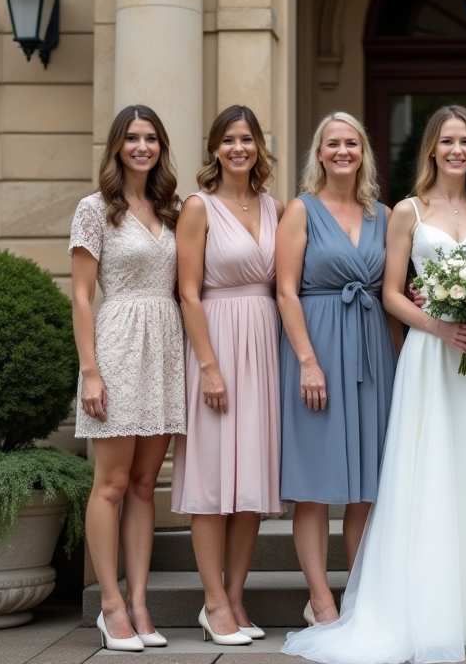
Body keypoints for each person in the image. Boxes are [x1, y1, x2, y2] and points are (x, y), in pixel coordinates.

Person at [282, 105, 466, 662]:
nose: (456, 150)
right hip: (430, 357)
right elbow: (391, 293)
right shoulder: (405, 212)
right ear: (431, 148)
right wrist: (439, 327)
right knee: (428, 472)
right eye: (447, 141)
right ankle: (423, 610)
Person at [69, 105, 185, 652]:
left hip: (164, 349)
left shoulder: (172, 210)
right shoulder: (94, 209)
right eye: (133, 138)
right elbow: (80, 296)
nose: (143, 146)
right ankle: (110, 605)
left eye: (151, 138)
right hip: (116, 348)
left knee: (144, 485)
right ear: (117, 145)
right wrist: (90, 372)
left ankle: (140, 603)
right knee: (111, 484)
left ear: (161, 147)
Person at [276, 111, 399, 629]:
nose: (343, 151)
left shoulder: (384, 215)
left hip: (373, 353)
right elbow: (285, 291)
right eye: (333, 143)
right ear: (319, 154)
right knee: (315, 483)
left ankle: (362, 593)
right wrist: (308, 362)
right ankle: (321, 599)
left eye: (352, 143)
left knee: (366, 486)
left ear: (363, 152)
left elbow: (393, 295)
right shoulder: (300, 210)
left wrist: (401, 366)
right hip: (318, 349)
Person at [172, 105, 284, 646]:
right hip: (216, 342)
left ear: (258, 146)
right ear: (215, 149)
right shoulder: (198, 207)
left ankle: (236, 597)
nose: (239, 148)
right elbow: (187, 292)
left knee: (252, 482)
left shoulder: (273, 206)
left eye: (247, 139)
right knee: (214, 479)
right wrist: (209, 367)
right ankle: (213, 602)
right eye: (229, 140)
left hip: (263, 345)